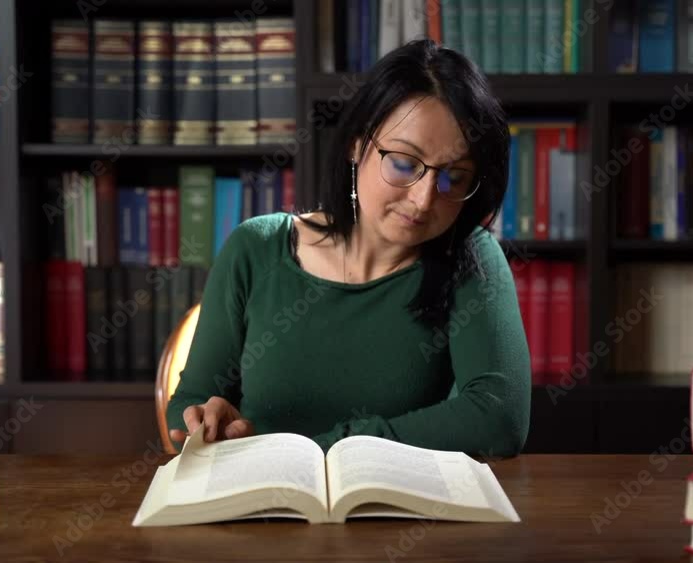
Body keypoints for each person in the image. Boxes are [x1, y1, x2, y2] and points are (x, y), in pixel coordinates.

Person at [167, 39, 530, 456]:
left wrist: (335, 448)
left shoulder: (471, 258)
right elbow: (185, 406)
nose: (424, 198)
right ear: (356, 146)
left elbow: (500, 418)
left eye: (454, 177)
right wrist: (207, 424)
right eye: (404, 163)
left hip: (396, 511)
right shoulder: (257, 249)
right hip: (261, 505)